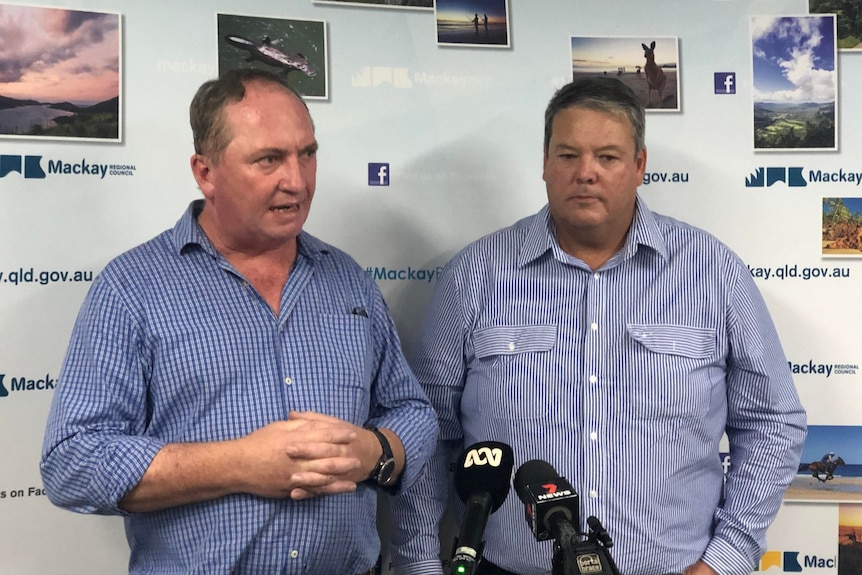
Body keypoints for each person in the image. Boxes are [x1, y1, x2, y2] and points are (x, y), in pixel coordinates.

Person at [389, 77, 807, 575]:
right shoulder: (474, 274)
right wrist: (418, 561)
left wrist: (728, 557)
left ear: (639, 166)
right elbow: (429, 430)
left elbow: (772, 421)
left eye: (607, 157)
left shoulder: (713, 271)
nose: (585, 173)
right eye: (568, 155)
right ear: (544, 163)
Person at [40, 68, 438, 575]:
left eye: (307, 153)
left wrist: (376, 451)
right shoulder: (131, 288)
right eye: (268, 159)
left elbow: (412, 410)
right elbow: (72, 463)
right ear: (205, 172)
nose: (297, 181)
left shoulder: (348, 280)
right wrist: (239, 465)